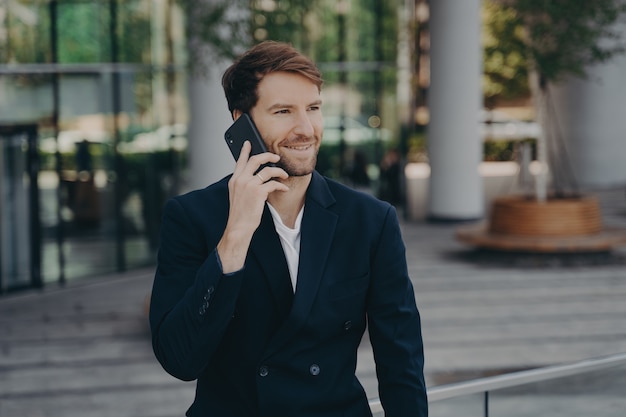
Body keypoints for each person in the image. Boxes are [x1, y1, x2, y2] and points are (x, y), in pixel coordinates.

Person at [149, 41, 428, 417]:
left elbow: (401, 360)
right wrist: (235, 238)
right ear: (240, 122)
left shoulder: (369, 220)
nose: (305, 128)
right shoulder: (192, 216)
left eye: (313, 108)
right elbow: (179, 360)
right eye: (283, 111)